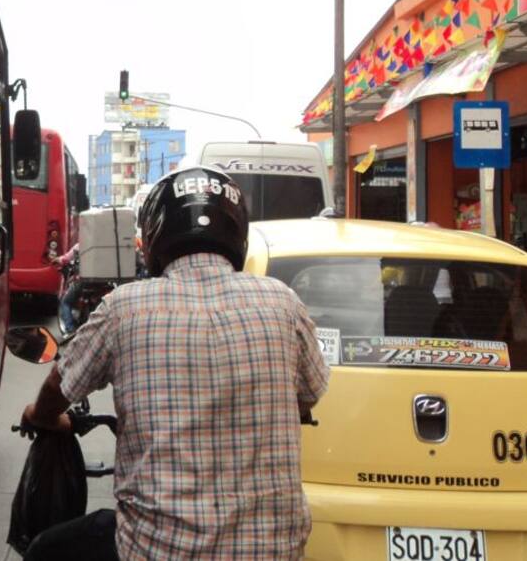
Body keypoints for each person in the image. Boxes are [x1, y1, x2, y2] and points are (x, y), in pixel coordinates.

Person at [20, 166, 330, 561]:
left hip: (157, 550)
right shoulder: (283, 302)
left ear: (153, 239)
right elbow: (310, 395)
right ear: (238, 234)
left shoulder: (123, 308)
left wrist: (42, 416)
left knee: (45, 551)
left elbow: (59, 388)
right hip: (274, 551)